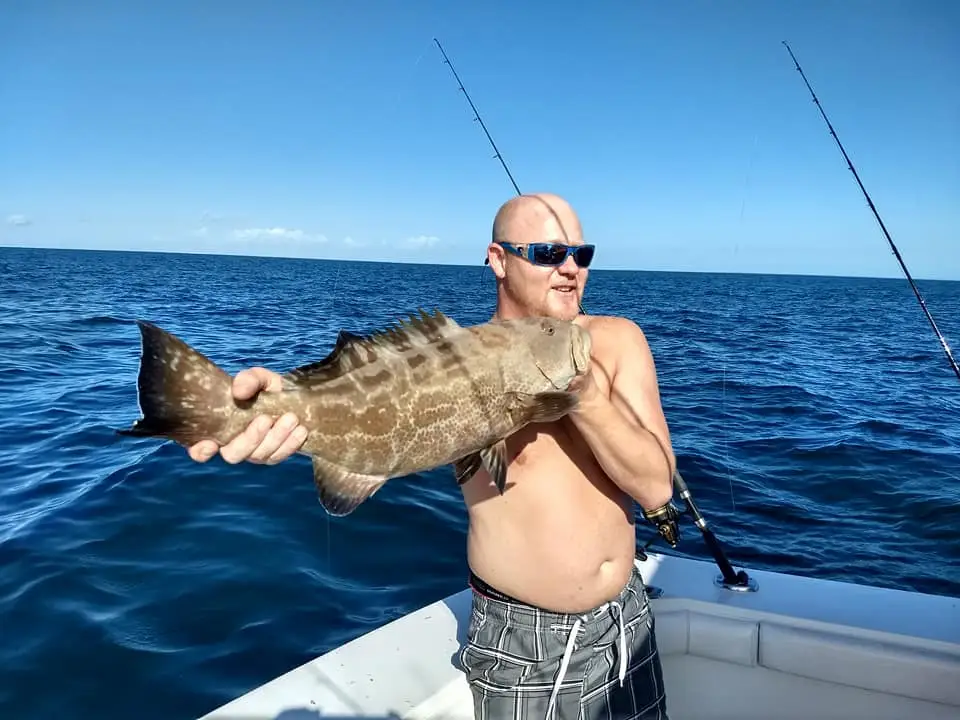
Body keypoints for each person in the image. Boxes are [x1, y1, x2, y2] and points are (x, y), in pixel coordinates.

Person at [187, 192, 676, 719]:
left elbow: (656, 488)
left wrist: (583, 389)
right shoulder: (451, 358)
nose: (569, 269)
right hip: (521, 648)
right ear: (497, 259)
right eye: (546, 253)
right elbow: (375, 402)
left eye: (582, 255)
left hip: (628, 624)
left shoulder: (618, 341)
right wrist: (275, 405)